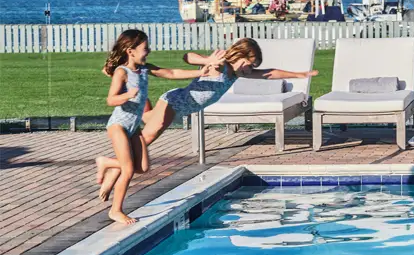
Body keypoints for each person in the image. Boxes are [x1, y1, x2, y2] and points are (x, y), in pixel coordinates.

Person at [96, 30, 216, 225]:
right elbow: (111, 99)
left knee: (142, 168)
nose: (148, 51)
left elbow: (170, 73)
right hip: (118, 125)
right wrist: (128, 95)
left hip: (133, 127)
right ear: (130, 51)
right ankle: (115, 210)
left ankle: (107, 163)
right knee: (127, 170)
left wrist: (199, 72)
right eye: (145, 48)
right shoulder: (121, 72)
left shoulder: (144, 69)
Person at [140, 37, 317, 151]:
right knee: (149, 136)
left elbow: (270, 73)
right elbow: (187, 56)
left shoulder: (238, 73)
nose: (252, 70)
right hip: (174, 102)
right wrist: (207, 60)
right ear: (240, 57)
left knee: (147, 118)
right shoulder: (221, 65)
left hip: (182, 108)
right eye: (250, 64)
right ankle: (126, 159)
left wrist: (299, 74)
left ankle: (137, 86)